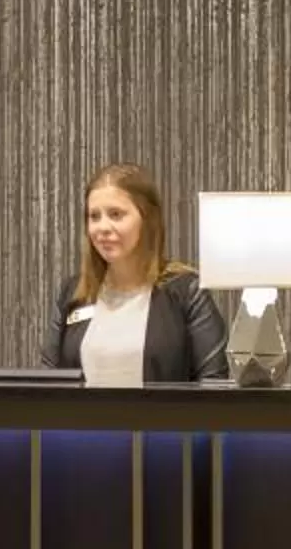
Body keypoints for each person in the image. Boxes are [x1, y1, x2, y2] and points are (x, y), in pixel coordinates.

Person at [41, 162, 229, 385]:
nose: (102, 227)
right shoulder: (72, 294)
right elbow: (49, 381)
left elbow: (214, 384)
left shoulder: (187, 293)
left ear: (147, 220)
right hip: (83, 421)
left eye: (116, 214)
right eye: (94, 216)